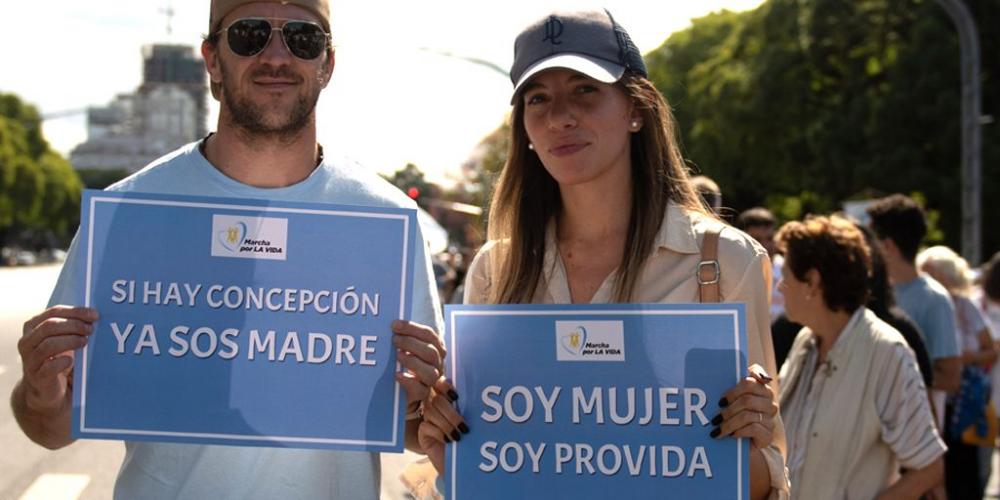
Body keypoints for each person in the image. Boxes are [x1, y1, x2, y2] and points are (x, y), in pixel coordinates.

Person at [11, 1, 446, 498]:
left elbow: (412, 427)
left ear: (327, 63)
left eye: (302, 38)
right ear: (213, 60)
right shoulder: (128, 212)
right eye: (249, 34)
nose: (276, 56)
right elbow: (50, 427)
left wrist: (420, 405)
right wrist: (40, 393)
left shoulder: (388, 223)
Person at [416, 10, 789, 499]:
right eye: (538, 98)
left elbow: (769, 474)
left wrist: (747, 443)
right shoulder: (495, 269)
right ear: (524, 128)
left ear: (637, 109)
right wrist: (451, 454)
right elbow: (491, 475)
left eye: (585, 89)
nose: (560, 117)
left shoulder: (724, 262)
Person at [775, 215, 945, 499]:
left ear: (812, 282)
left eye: (786, 275)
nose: (780, 286)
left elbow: (929, 467)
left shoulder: (886, 351)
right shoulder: (806, 340)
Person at [867, 194, 962, 426]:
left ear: (887, 246)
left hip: (913, 430)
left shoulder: (935, 299)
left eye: (870, 242)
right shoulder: (869, 292)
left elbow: (951, 377)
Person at [918, 245, 998, 499]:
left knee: (965, 468)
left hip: (964, 402)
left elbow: (991, 350)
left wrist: (967, 358)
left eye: (932, 273)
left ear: (948, 276)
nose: (925, 279)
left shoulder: (965, 306)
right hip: (934, 399)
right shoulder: (924, 304)